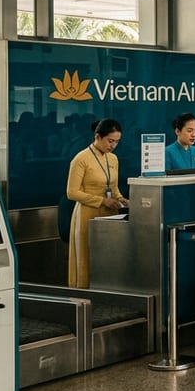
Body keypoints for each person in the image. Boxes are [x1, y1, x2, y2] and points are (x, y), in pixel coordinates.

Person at [66, 119, 128, 288]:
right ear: (98, 137)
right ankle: (83, 297)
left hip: (110, 215)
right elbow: (72, 192)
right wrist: (102, 201)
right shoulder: (81, 159)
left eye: (116, 141)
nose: (113, 145)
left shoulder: (113, 159)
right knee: (86, 257)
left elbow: (113, 187)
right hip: (87, 213)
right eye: (110, 141)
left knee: (108, 256)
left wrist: (121, 199)